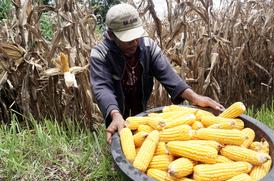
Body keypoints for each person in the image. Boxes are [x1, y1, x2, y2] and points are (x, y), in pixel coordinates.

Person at [90, 3, 224, 144]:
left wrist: (195, 97)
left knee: (140, 140)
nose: (135, 42)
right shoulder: (100, 54)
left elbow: (169, 76)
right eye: (128, 39)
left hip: (139, 106)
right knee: (120, 143)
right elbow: (102, 88)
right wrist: (115, 114)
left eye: (136, 36)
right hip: (116, 109)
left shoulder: (148, 46)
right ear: (111, 35)